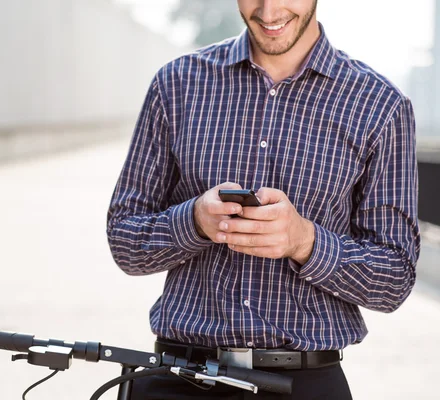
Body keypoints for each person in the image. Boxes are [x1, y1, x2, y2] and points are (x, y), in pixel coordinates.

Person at [106, 0, 420, 398]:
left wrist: (304, 241)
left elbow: (394, 278)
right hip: (176, 378)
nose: (268, 10)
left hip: (302, 384)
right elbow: (124, 242)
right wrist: (195, 221)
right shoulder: (177, 84)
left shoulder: (380, 105)